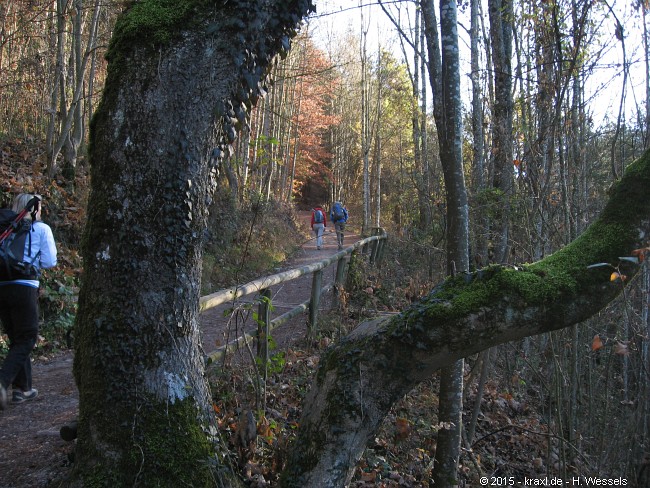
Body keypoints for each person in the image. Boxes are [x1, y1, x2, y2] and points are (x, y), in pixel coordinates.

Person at [0, 193, 57, 410]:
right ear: (34, 209)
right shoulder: (40, 229)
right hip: (25, 286)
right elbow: (50, 261)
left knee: (17, 338)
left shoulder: (6, 228)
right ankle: (3, 381)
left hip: (2, 285)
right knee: (27, 338)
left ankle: (22, 389)